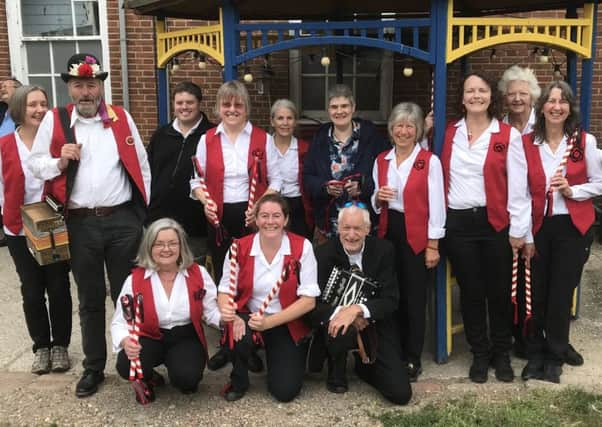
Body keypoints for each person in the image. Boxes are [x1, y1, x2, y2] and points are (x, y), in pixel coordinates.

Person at [28, 53, 151, 398]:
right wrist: (59, 160)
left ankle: (136, 363)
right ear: (69, 88)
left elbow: (142, 166)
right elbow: (35, 166)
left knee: (129, 296)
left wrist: (142, 214)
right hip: (80, 224)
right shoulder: (56, 121)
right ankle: (94, 367)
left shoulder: (121, 118)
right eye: (79, 85)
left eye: (92, 84)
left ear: (100, 86)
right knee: (91, 298)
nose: (86, 92)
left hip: (123, 220)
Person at [441, 72, 530, 383]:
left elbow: (519, 187)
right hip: (459, 224)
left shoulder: (507, 135)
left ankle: (501, 353)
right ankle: (479, 353)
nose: (476, 95)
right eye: (470, 91)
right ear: (462, 97)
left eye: (481, 90)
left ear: (491, 97)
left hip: (495, 223)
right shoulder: (447, 132)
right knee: (472, 292)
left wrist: (518, 230)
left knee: (499, 292)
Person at [191, 80, 280, 372]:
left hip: (251, 216)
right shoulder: (207, 139)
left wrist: (259, 208)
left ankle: (249, 343)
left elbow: (276, 181)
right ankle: (228, 341)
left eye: (238, 104)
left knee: (250, 278)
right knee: (224, 280)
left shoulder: (262, 139)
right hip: (219, 218)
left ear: (246, 108)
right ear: (218, 107)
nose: (232, 110)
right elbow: (196, 181)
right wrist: (205, 202)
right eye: (226, 104)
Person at [520, 81, 602, 384]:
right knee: (537, 294)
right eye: (551, 100)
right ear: (542, 107)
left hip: (572, 226)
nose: (556, 106)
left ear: (570, 108)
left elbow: (599, 181)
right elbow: (518, 192)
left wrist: (574, 190)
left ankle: (555, 355)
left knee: (560, 294)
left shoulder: (585, 142)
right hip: (539, 226)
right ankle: (536, 354)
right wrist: (524, 234)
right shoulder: (528, 143)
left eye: (563, 101)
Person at [217, 193, 319, 402]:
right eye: (264, 216)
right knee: (237, 329)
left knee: (285, 392)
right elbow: (225, 289)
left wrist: (269, 323)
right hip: (248, 316)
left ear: (286, 219)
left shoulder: (303, 247)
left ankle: (276, 351)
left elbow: (309, 300)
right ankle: (239, 378)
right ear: (255, 219)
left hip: (285, 320)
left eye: (276, 216)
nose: (270, 222)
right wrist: (229, 312)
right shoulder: (239, 247)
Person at [307, 204, 412, 405]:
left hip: (375, 323)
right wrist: (343, 314)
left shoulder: (384, 250)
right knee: (339, 326)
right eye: (346, 228)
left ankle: (364, 367)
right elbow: (314, 308)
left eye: (357, 228)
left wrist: (357, 310)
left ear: (367, 229)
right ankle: (336, 368)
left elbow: (391, 300)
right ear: (338, 228)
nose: (351, 235)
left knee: (400, 394)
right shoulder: (322, 254)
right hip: (335, 326)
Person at [0, 85, 72, 375]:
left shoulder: (57, 142)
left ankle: (61, 346)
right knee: (32, 290)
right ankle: (41, 346)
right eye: (32, 105)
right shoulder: (4, 145)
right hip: (19, 227)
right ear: (19, 108)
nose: (40, 110)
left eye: (44, 104)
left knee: (58, 287)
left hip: (53, 225)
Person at [371, 102, 446, 382]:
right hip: (389, 232)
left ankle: (413, 357)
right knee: (392, 295)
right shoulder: (382, 160)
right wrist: (379, 198)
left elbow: (437, 205)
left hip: (418, 234)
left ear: (417, 131)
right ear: (391, 130)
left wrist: (433, 244)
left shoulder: (429, 161)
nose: (403, 131)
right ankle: (393, 350)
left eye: (409, 126)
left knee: (415, 298)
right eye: (398, 126)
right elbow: (375, 201)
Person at [111, 218, 221, 402]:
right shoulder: (135, 279)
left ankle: (180, 371)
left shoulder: (198, 273)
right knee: (126, 364)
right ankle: (150, 377)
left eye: (172, 243)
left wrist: (225, 320)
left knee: (187, 380)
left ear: (181, 246)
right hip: (149, 335)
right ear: (149, 247)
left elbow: (211, 311)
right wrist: (125, 341)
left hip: (185, 335)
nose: (166, 249)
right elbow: (119, 321)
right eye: (159, 244)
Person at [303, 84, 389, 243]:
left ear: (353, 107)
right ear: (328, 110)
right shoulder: (319, 139)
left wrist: (363, 186)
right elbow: (307, 177)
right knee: (330, 268)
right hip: (329, 226)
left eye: (344, 106)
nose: (339, 111)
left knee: (362, 267)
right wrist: (325, 187)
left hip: (363, 226)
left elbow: (386, 174)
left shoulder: (372, 138)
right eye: (334, 107)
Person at [147, 81, 213, 257]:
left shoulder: (212, 135)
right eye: (179, 103)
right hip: (159, 221)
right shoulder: (161, 135)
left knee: (195, 275)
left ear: (199, 104)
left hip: (196, 224)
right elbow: (148, 173)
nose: (184, 107)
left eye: (189, 102)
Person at [268, 99, 313, 239]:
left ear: (295, 122)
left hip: (298, 206)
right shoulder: (263, 147)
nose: (285, 123)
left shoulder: (305, 148)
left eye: (289, 118)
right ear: (272, 121)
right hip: (271, 204)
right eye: (280, 118)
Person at [0, 77, 23, 247]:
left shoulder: (24, 116)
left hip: (15, 164)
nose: (2, 89)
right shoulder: (3, 113)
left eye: (6, 87)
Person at [498, 65, 540, 136]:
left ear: (532, 96)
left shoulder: (544, 123)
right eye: (511, 94)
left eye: (523, 94)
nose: (517, 99)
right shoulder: (498, 127)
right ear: (505, 97)